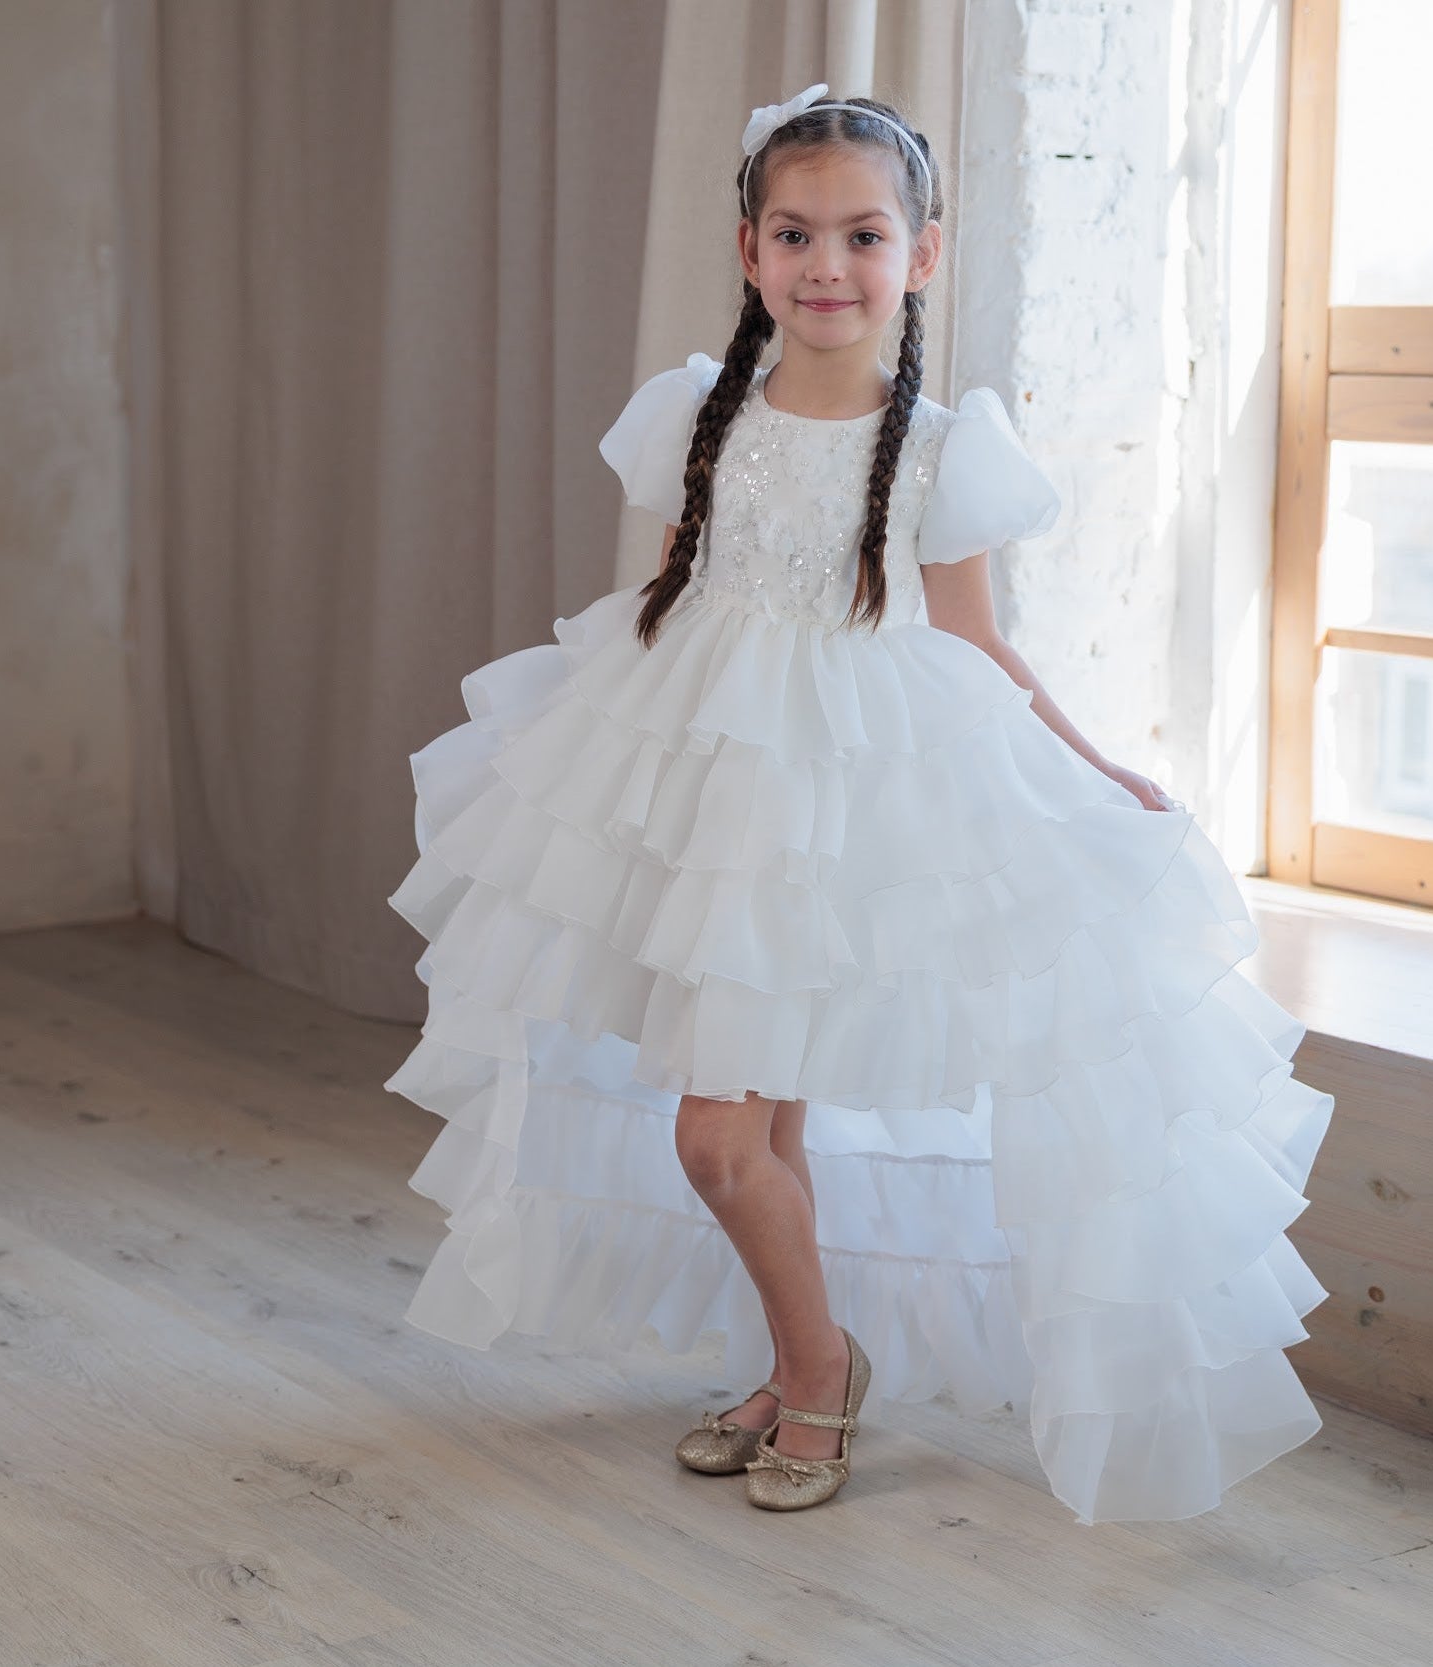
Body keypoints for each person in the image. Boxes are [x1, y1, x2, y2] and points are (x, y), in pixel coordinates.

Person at [384, 83, 1334, 1524]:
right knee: (757, 1135)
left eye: (864, 236)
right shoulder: (704, 420)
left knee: (720, 1135)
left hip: (854, 810)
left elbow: (973, 638)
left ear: (923, 255)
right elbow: (692, 600)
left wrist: (1093, 767)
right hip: (712, 789)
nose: (829, 266)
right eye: (796, 234)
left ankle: (821, 1369)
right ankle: (799, 1361)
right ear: (752, 251)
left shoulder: (948, 449)